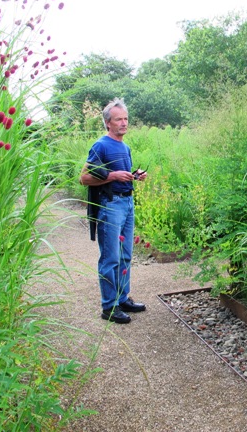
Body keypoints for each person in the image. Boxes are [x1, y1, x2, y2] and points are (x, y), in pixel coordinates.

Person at [80, 98, 148, 324]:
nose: (124, 123)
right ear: (108, 123)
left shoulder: (124, 147)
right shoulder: (100, 146)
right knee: (111, 257)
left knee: (126, 255)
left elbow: (121, 173)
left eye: (126, 118)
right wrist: (113, 176)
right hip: (110, 206)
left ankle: (122, 298)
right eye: (119, 119)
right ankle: (109, 307)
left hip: (127, 204)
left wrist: (134, 174)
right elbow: (84, 178)